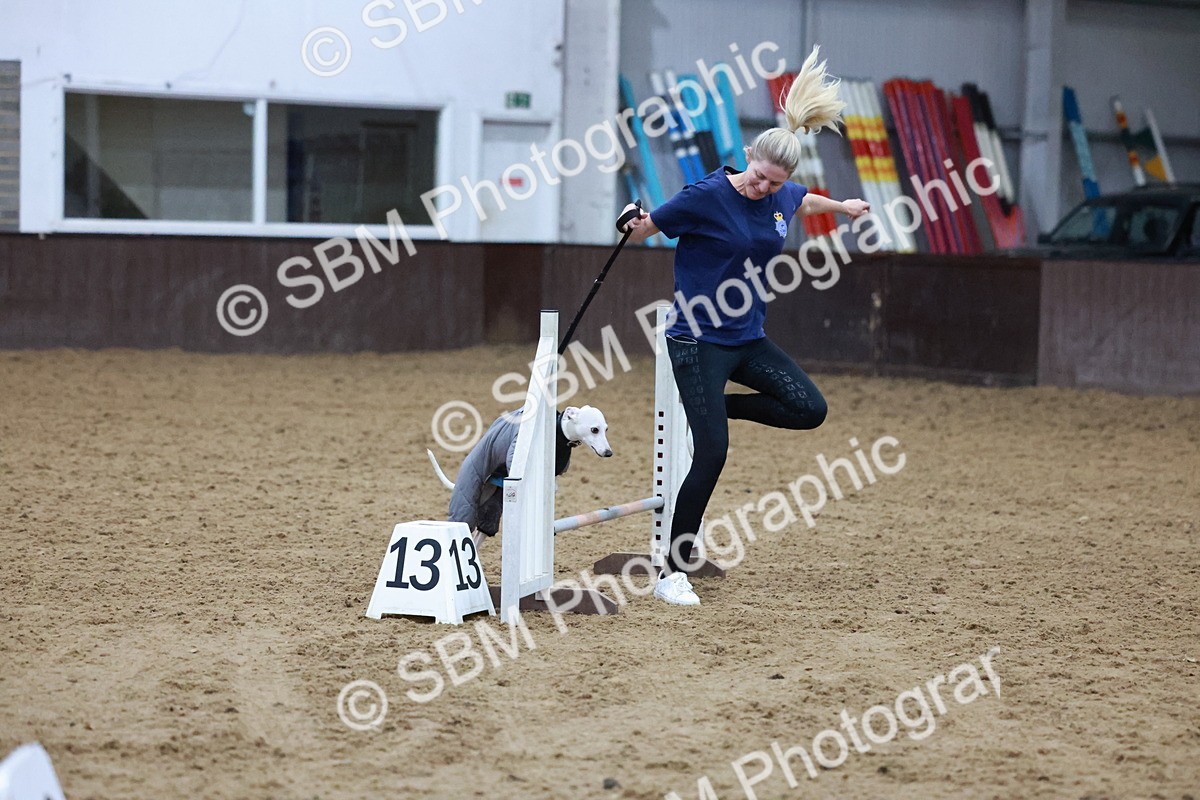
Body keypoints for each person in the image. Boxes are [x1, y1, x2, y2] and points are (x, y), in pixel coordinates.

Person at [619, 46, 870, 606]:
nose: (762, 189)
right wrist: (632, 224)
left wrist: (844, 207)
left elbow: (802, 203)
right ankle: (672, 572)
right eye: (758, 178)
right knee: (712, 453)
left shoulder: (782, 193)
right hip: (697, 339)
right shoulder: (706, 196)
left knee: (810, 409)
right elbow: (651, 227)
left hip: (747, 337)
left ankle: (708, 408)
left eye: (772, 184)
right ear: (749, 157)